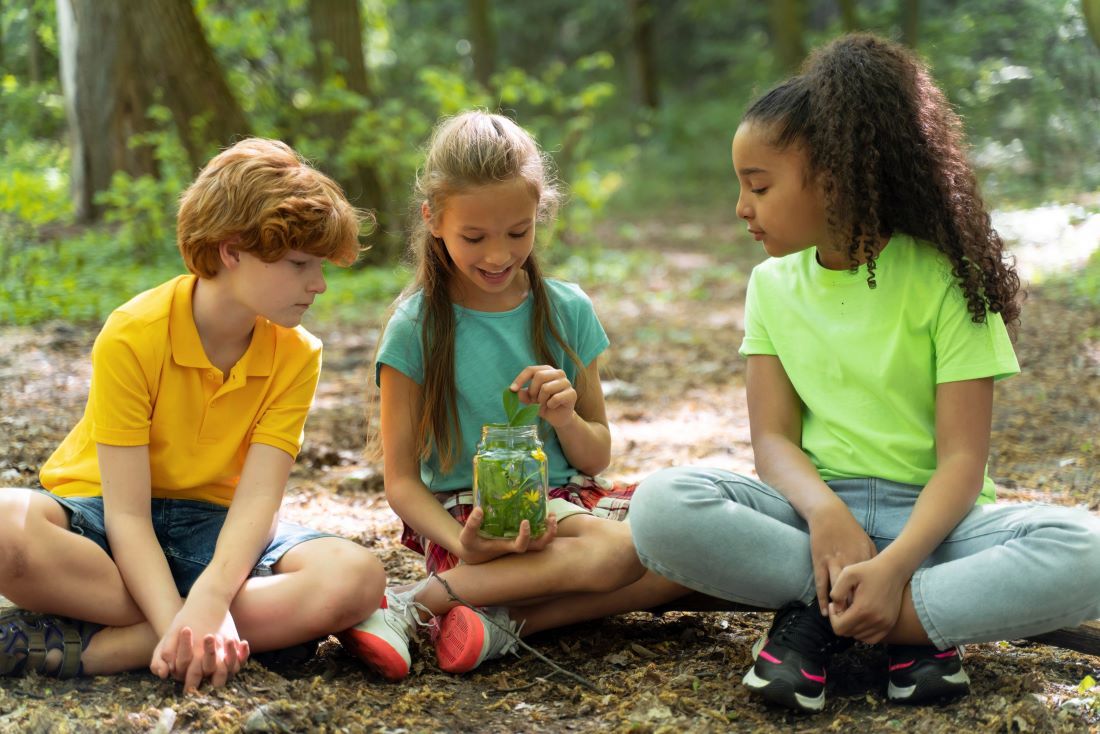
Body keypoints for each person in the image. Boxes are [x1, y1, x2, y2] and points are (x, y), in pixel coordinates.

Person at [628, 33, 1100, 713]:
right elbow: (773, 444)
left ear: (834, 179)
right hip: (813, 516)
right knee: (661, 505)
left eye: (758, 186)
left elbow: (963, 461)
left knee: (1087, 550)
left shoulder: (948, 280)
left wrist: (898, 561)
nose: (741, 208)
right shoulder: (771, 286)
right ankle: (903, 618)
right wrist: (826, 516)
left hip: (938, 528)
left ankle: (849, 615)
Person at [0, 138, 389, 691]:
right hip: (102, 521)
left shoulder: (298, 352)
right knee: (5, 529)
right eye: (300, 263)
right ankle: (230, 631)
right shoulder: (134, 333)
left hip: (216, 530)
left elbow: (259, 501)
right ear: (232, 251)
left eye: (320, 265)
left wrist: (209, 598)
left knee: (357, 577)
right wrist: (191, 617)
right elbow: (128, 516)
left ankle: (94, 649)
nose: (318, 284)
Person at [338, 110, 686, 681]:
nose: (498, 256)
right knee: (626, 555)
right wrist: (464, 544)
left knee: (687, 542)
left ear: (539, 214)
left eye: (518, 233)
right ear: (433, 220)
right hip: (469, 523)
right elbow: (401, 482)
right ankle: (417, 599)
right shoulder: (417, 328)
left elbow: (596, 456)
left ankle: (501, 622)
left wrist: (567, 416)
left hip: (569, 503)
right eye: (474, 237)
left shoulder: (567, 310)